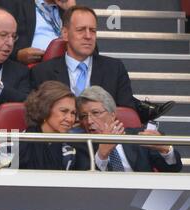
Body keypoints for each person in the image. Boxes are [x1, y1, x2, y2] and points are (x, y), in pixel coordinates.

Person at [30, 5, 173, 124]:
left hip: (103, 143)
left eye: (92, 30)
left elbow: (126, 115)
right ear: (65, 34)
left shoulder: (114, 69)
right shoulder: (42, 72)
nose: (88, 36)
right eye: (81, 30)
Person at [76, 86, 182, 172]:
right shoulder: (80, 145)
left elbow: (173, 169)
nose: (89, 121)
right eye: (83, 116)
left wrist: (165, 149)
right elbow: (83, 184)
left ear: (112, 115)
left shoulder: (138, 137)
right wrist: (101, 155)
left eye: (95, 113)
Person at [19, 80, 81, 170]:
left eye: (73, 113)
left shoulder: (69, 153)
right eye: (64, 111)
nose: (70, 119)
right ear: (45, 109)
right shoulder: (10, 147)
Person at [0, 0, 76, 65]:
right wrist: (17, 55)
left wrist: (72, 10)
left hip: (66, 65)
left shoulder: (67, 6)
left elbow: (82, 39)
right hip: (32, 67)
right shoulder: (12, 2)